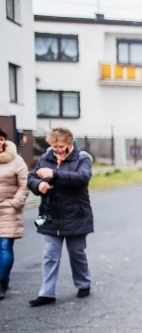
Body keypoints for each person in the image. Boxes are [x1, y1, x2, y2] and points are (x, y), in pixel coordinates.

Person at [27, 127, 93, 307]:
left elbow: (82, 177)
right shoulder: (46, 158)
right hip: (51, 215)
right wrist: (39, 185)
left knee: (76, 253)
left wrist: (54, 174)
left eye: (60, 146)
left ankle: (83, 283)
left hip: (76, 215)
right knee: (50, 255)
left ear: (70, 144)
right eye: (54, 146)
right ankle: (47, 293)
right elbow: (31, 177)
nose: (57, 150)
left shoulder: (82, 159)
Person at [0, 128, 29, 300]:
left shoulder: (16, 160)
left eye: (1, 139)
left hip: (8, 209)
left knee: (4, 246)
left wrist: (15, 203)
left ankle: (2, 282)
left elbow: (24, 184)